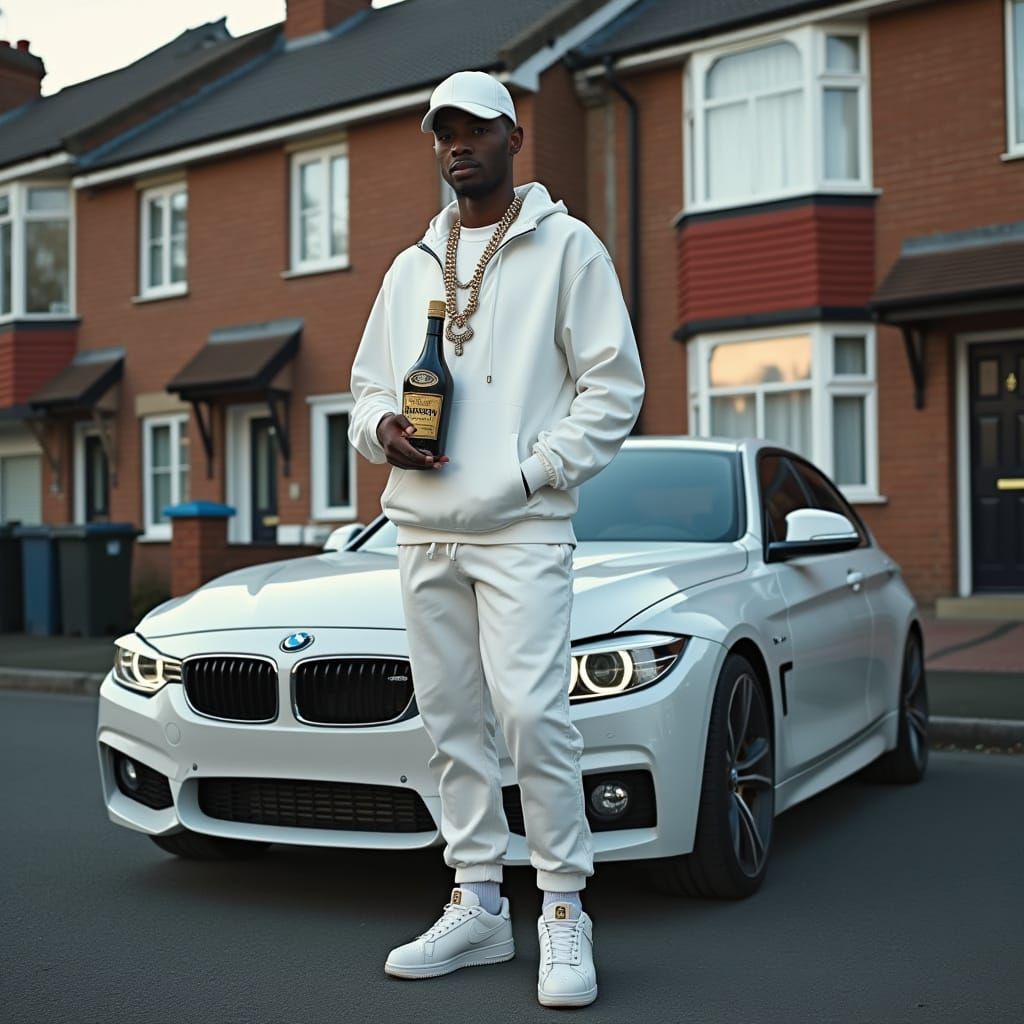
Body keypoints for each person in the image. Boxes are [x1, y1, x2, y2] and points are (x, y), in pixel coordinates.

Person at [348, 69, 644, 1008]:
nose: (457, 145)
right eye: (444, 132)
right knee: (451, 723)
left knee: (532, 716)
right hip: (423, 529)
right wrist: (381, 430)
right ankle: (477, 901)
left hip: (522, 528)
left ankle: (563, 910)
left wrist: (530, 471)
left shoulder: (570, 250)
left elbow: (614, 387)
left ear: (515, 137)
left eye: (475, 128)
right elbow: (365, 388)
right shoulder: (408, 267)